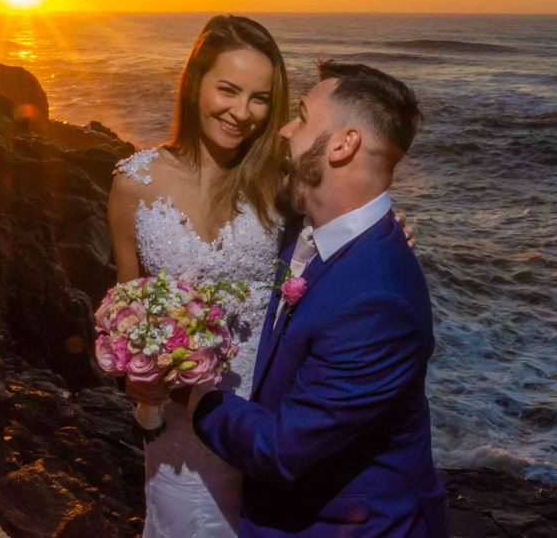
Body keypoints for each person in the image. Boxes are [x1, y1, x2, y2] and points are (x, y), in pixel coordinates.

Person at [108, 17, 416, 538]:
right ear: (194, 83)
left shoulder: (284, 176)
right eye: (228, 89)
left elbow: (339, 232)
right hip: (183, 428)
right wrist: (136, 375)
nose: (242, 113)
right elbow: (125, 310)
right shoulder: (134, 183)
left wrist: (387, 231)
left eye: (260, 99)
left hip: (271, 412)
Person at [191, 60, 446, 537]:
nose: (285, 129)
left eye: (303, 116)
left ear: (344, 144)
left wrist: (194, 397)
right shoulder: (309, 228)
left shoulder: (376, 301)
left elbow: (285, 450)